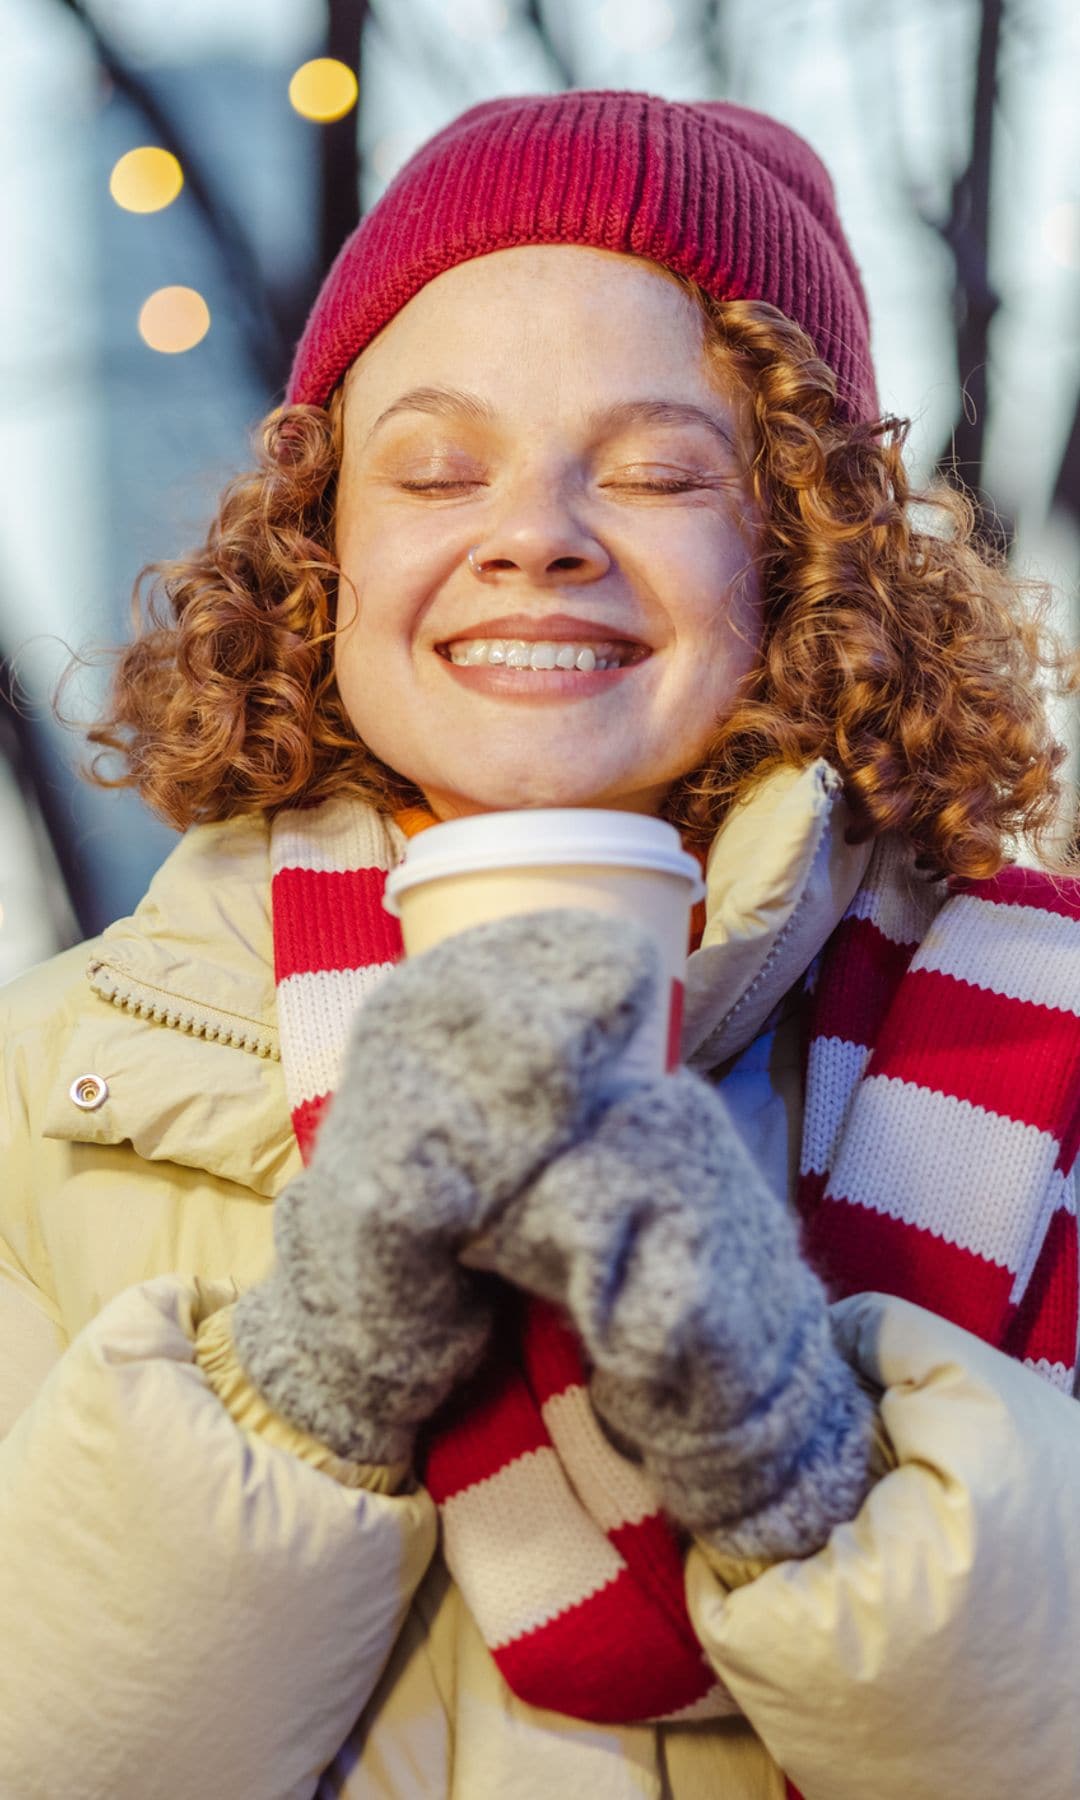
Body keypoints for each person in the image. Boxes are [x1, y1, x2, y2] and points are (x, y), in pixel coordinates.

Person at [2, 89, 1079, 1800]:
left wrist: (800, 1461)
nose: (536, 535)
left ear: (805, 552)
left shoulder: (1045, 1038)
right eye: (436, 467)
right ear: (322, 544)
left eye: (657, 471)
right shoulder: (53, 1085)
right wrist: (306, 1379)